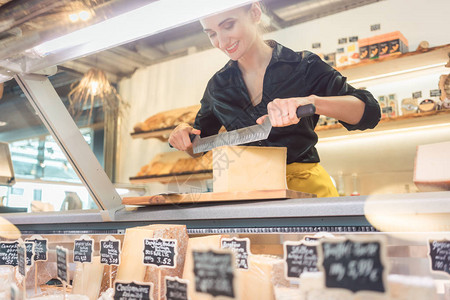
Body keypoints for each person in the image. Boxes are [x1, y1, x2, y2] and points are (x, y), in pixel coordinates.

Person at [168, 3, 380, 197]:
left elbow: (369, 113)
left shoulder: (303, 65)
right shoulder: (217, 86)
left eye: (229, 25)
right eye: (212, 33)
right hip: (247, 195)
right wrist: (183, 135)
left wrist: (311, 102)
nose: (222, 42)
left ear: (255, 13)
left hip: (307, 191)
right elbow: (199, 146)